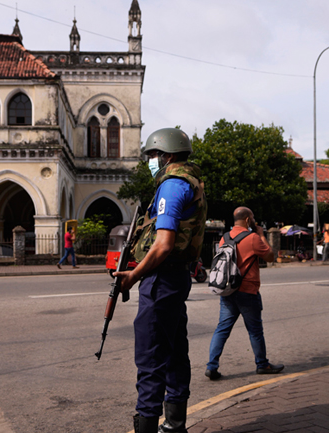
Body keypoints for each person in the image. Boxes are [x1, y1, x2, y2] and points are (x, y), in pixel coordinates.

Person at [115, 127, 207, 433]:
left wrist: (133, 276)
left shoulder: (172, 186)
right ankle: (175, 425)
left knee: (151, 356)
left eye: (152, 155)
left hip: (161, 279)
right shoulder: (192, 182)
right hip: (177, 276)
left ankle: (148, 424)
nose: (150, 161)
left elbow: (164, 244)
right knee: (174, 350)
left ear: (166, 155)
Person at [205, 207, 283, 382]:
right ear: (248, 220)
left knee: (222, 329)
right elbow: (270, 257)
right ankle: (262, 364)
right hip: (247, 291)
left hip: (227, 290)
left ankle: (212, 366)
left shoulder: (223, 238)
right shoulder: (253, 238)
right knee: (255, 331)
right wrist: (262, 234)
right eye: (253, 218)